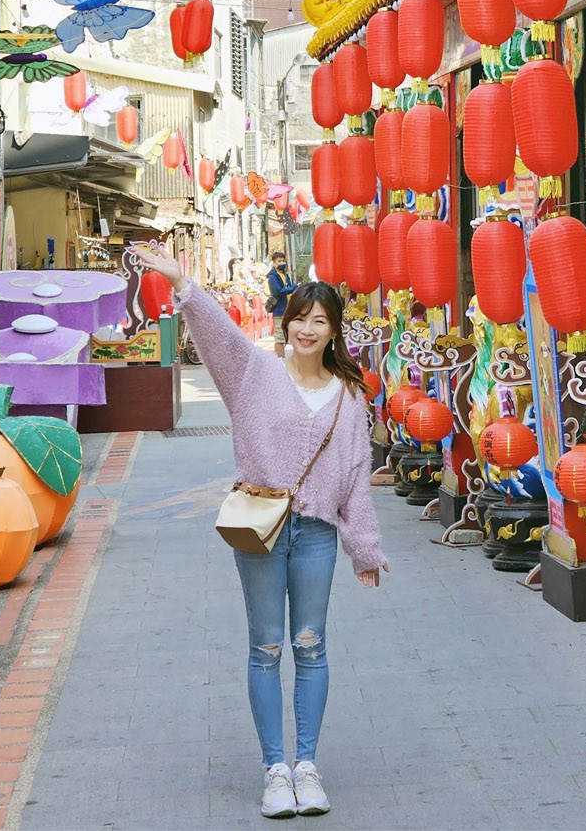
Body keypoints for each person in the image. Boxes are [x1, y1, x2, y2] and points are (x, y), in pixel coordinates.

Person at [133, 244, 388, 819]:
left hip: (318, 533)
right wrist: (185, 286)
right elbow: (221, 337)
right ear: (287, 321)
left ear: (332, 332)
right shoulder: (256, 372)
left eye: (319, 321)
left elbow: (355, 477)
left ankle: (307, 766)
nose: (306, 328)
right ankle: (276, 769)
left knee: (312, 646)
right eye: (299, 317)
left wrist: (364, 547)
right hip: (261, 529)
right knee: (267, 646)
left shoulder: (349, 396)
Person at [267, 252, 296, 360]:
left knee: (291, 336)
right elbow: (278, 291)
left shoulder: (285, 275)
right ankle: (280, 362)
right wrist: (292, 288)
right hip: (279, 311)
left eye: (283, 260)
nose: (282, 263)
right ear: (274, 263)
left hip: (289, 311)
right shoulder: (272, 277)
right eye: (279, 261)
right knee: (279, 338)